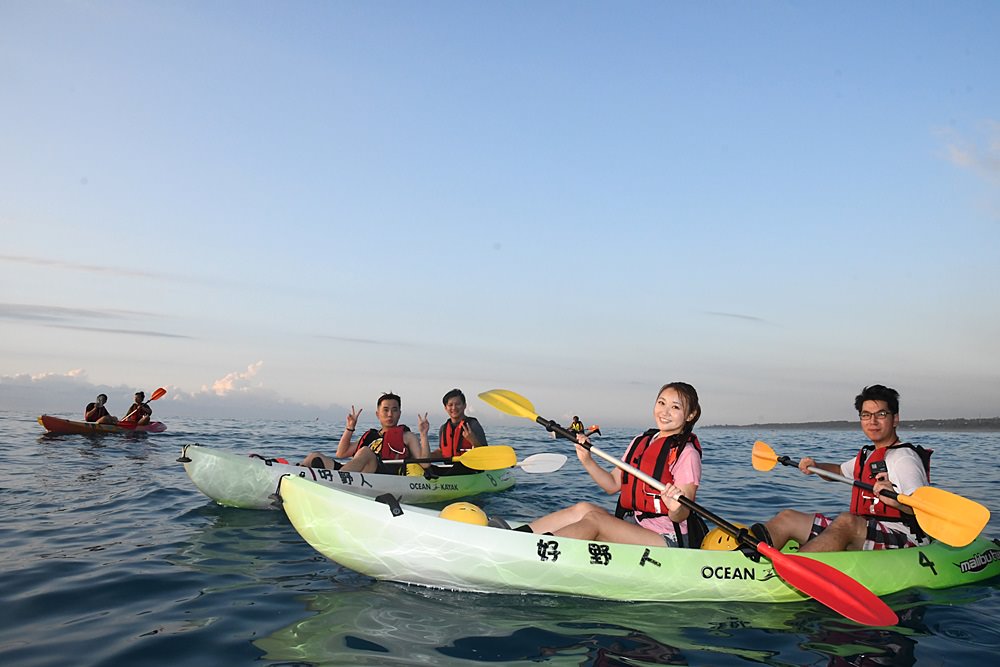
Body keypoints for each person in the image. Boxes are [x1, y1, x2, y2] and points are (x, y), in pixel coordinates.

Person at [513, 382, 706, 548]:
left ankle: (538, 550)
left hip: (667, 538)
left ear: (690, 415)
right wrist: (586, 459)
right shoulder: (642, 440)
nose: (665, 412)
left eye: (675, 407)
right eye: (661, 403)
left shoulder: (686, 453)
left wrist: (675, 507)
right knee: (584, 509)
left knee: (596, 521)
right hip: (634, 524)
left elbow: (682, 514)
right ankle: (517, 537)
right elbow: (612, 484)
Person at [754, 384, 931, 553]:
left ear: (895, 419)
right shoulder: (869, 454)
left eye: (881, 414)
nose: (873, 421)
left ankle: (791, 571)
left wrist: (896, 501)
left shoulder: (904, 459)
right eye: (866, 415)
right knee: (788, 518)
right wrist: (816, 467)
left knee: (846, 521)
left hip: (905, 537)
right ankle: (744, 559)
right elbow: (839, 471)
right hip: (867, 529)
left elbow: (924, 508)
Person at [300, 392, 430, 474]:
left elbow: (425, 463)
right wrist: (350, 428)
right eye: (385, 410)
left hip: (383, 475)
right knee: (314, 456)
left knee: (365, 451)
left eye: (394, 410)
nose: (390, 414)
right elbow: (341, 453)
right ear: (377, 414)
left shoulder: (407, 436)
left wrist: (423, 435)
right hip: (357, 474)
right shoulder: (371, 436)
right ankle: (293, 475)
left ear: (399, 414)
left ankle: (336, 478)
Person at [426, 388, 488, 475]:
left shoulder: (473, 425)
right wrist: (426, 455)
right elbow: (442, 452)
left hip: (469, 469)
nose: (454, 408)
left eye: (458, 404)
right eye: (450, 405)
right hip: (449, 469)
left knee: (459, 467)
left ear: (464, 405)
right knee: (426, 469)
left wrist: (473, 440)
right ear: (445, 408)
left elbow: (485, 454)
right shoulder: (443, 428)